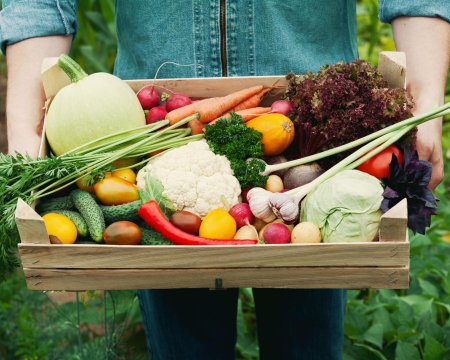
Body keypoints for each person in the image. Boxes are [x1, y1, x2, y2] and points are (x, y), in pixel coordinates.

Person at [1, 1, 449, 359]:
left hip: (312, 143)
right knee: (184, 346)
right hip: (148, 140)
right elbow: (38, 4)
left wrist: (426, 98)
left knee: (305, 342)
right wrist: (24, 131)